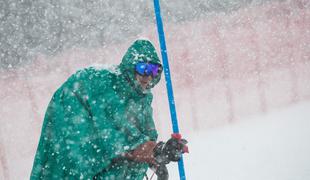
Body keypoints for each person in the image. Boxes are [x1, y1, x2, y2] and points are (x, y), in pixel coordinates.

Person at [30, 39, 187, 180]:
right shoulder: (108, 87)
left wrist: (156, 155)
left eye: (153, 70)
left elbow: (139, 139)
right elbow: (116, 138)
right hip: (76, 145)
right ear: (130, 67)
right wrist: (156, 150)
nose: (147, 75)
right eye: (142, 68)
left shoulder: (141, 99)